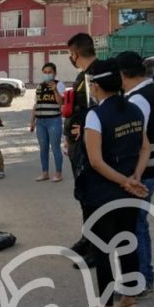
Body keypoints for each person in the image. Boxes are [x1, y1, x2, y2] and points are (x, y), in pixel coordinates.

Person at [75, 59, 150, 307]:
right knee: (128, 243)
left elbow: (96, 162)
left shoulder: (95, 115)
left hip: (103, 193)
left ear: (95, 86)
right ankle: (129, 302)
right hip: (130, 191)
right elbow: (145, 148)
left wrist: (124, 182)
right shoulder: (134, 110)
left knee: (103, 249)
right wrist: (135, 178)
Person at [117, 51, 154, 296]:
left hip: (141, 172)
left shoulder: (137, 100)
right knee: (139, 223)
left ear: (123, 74)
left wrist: (131, 175)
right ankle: (144, 277)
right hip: (152, 169)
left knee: (135, 226)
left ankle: (143, 279)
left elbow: (136, 139)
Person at [64, 33, 98, 266]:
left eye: (70, 54)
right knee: (84, 197)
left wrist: (84, 131)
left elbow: (97, 109)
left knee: (92, 198)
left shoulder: (95, 75)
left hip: (89, 146)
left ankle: (96, 249)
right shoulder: (82, 76)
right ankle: (87, 238)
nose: (70, 58)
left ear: (75, 53)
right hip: (79, 145)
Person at [29, 62, 65, 182]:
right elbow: (36, 104)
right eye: (45, 72)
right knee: (43, 148)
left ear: (54, 73)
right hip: (41, 122)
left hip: (54, 121)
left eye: (50, 72)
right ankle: (45, 173)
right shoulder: (39, 86)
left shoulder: (59, 85)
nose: (47, 74)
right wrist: (32, 121)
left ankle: (58, 173)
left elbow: (61, 103)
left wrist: (55, 91)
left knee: (55, 148)